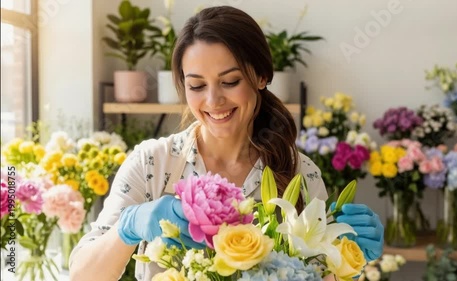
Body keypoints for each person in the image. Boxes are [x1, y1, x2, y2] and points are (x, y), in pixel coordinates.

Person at [69, 6, 384, 281]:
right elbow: (84, 276)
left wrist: (349, 259)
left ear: (261, 76)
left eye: (230, 82)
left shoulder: (300, 173)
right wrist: (129, 226)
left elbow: (322, 277)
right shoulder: (153, 164)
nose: (212, 100)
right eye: (196, 85)